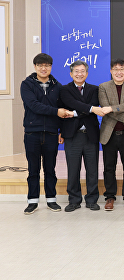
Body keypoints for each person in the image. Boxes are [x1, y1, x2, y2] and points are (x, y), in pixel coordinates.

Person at [21, 53, 73, 215]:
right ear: (35, 66)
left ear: (51, 67)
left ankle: (51, 199)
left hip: (51, 133)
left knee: (50, 169)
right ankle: (32, 201)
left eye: (47, 65)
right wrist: (56, 111)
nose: (44, 68)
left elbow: (63, 111)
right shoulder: (27, 84)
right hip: (32, 133)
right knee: (33, 169)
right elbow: (33, 105)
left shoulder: (58, 86)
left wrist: (61, 131)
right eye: (40, 65)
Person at [60, 60, 104, 212]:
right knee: (73, 170)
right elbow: (71, 102)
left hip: (90, 135)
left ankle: (92, 200)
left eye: (82, 71)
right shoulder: (64, 90)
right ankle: (74, 200)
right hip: (72, 135)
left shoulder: (95, 89)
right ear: (71, 73)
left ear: (87, 73)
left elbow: (90, 105)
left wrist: (73, 113)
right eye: (76, 71)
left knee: (92, 169)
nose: (80, 74)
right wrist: (90, 109)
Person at [99, 59, 124, 211]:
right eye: (116, 69)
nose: (119, 72)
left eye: (122, 69)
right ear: (111, 71)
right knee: (109, 167)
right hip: (108, 133)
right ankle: (110, 197)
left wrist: (112, 108)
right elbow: (104, 108)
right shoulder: (103, 87)